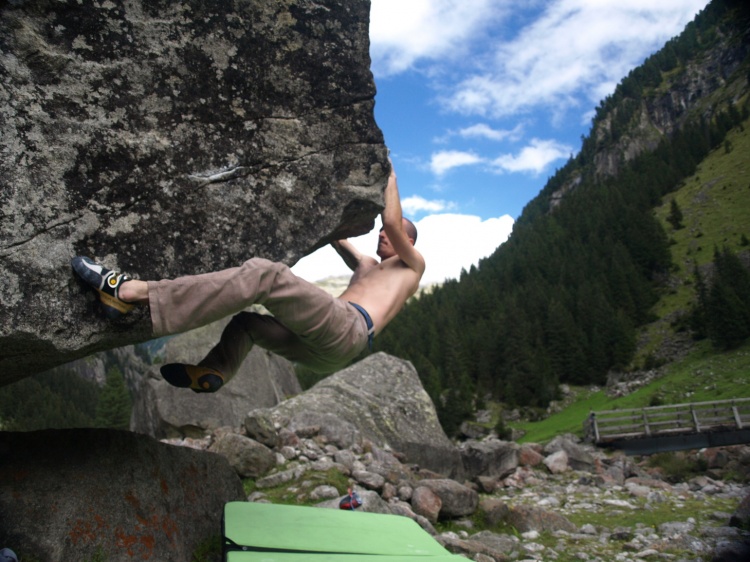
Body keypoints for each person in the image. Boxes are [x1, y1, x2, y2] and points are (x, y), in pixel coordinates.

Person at [72, 160, 425, 393]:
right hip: (326, 351)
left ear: (409, 242)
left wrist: (389, 178)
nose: (381, 235)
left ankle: (132, 292)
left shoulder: (412, 266)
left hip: (349, 328)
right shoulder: (366, 265)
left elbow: (392, 222)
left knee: (265, 276)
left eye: (392, 235)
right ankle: (214, 372)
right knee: (247, 325)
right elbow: (335, 235)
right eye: (378, 234)